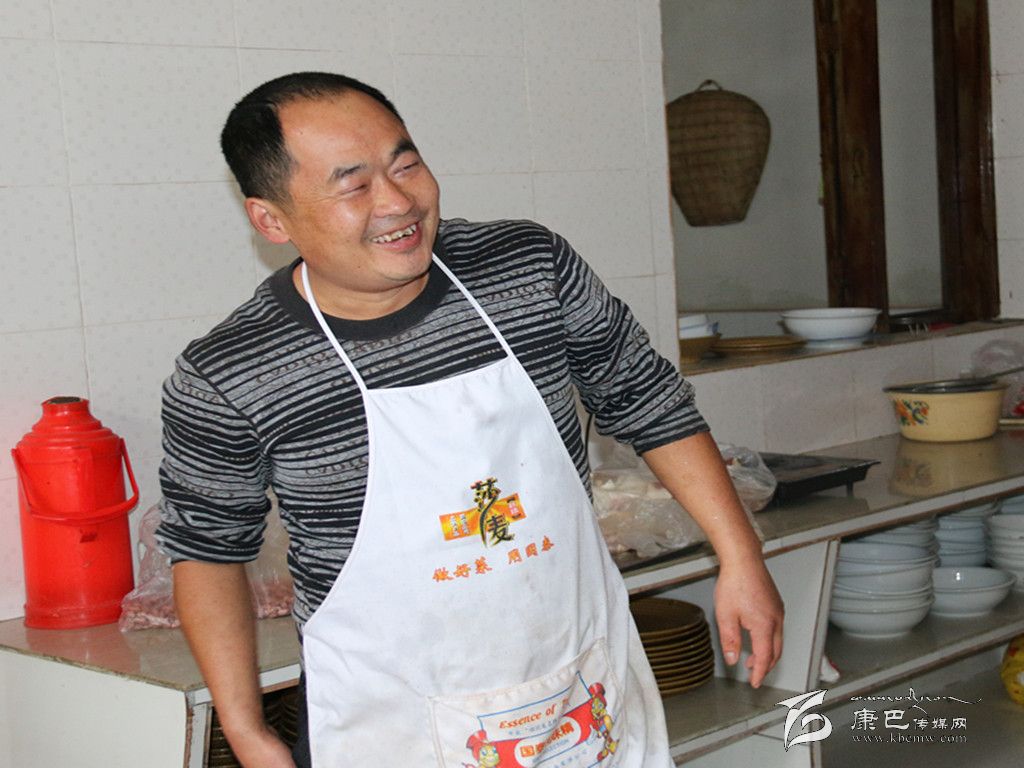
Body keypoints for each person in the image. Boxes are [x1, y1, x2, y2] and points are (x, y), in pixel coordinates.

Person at [157, 71, 784, 768]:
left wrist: (740, 554)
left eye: (405, 164)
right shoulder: (231, 372)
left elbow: (646, 396)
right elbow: (208, 551)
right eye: (354, 185)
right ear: (272, 220)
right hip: (389, 724)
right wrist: (245, 728)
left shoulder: (527, 269)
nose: (398, 202)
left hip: (581, 693)